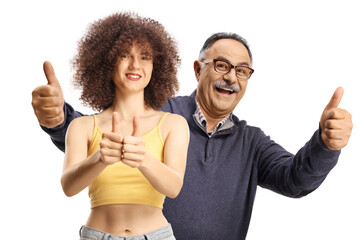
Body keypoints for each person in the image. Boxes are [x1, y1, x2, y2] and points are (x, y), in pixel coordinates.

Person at [32, 32, 353, 239]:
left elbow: (295, 180)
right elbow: (102, 135)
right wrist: (60, 118)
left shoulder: (252, 142)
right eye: (222, 65)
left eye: (242, 71)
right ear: (198, 70)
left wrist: (325, 144)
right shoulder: (160, 111)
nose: (232, 78)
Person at [39, 12, 190, 239]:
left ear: (156, 66)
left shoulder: (173, 124)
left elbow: (174, 187)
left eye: (145, 57)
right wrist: (99, 158)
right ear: (107, 62)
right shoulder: (82, 126)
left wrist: (143, 159)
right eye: (125, 55)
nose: (135, 65)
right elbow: (68, 187)